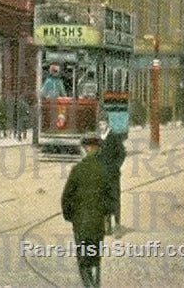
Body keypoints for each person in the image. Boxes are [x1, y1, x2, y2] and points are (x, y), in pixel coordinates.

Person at [61, 134, 113, 287]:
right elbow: (111, 199)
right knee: (95, 257)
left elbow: (66, 198)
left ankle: (88, 285)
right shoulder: (105, 170)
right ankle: (95, 284)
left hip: (81, 224)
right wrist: (105, 216)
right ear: (98, 148)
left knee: (83, 260)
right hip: (98, 224)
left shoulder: (77, 169)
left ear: (87, 148)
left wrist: (70, 216)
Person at [97, 120, 126, 234]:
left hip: (113, 174)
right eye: (100, 124)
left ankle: (117, 225)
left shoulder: (114, 137)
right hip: (102, 175)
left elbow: (122, 153)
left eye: (103, 124)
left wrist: (116, 166)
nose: (101, 126)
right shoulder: (99, 138)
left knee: (114, 199)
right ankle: (107, 225)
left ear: (108, 124)